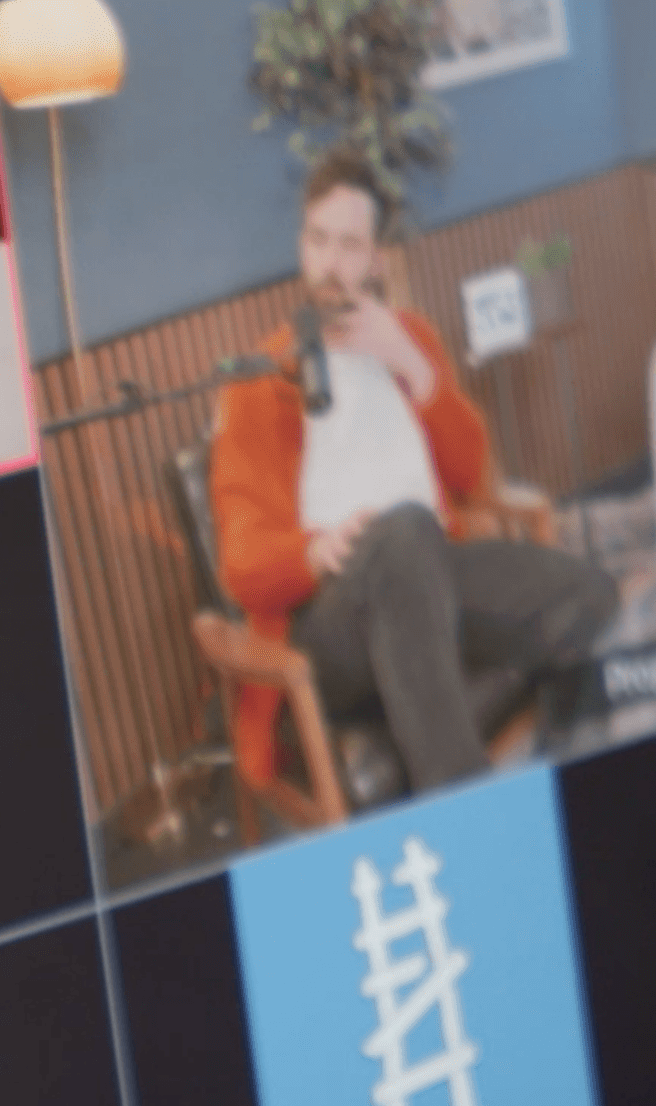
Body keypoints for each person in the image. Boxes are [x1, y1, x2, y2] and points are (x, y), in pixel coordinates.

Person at [207, 147, 616, 799]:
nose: (330, 263)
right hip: (330, 616)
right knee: (404, 531)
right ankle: (466, 804)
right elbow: (241, 564)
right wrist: (311, 551)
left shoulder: (412, 339)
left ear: (376, 259)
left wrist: (414, 367)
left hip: (431, 579)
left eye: (349, 246)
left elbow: (473, 472)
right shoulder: (262, 380)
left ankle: (557, 780)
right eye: (317, 240)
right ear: (302, 246)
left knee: (590, 594)